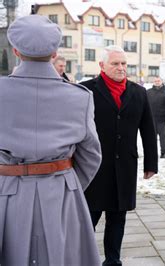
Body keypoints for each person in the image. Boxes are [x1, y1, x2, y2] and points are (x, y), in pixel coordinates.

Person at [0, 15, 102, 265]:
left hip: (6, 191)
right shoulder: (80, 97)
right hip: (61, 192)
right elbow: (91, 155)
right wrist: (69, 184)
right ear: (55, 52)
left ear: (15, 51)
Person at [80, 45, 158, 265]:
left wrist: (151, 163)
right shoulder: (86, 90)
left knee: (118, 218)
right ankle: (81, 257)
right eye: (115, 63)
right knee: (87, 219)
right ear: (102, 66)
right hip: (93, 167)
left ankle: (113, 261)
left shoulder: (138, 92)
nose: (121, 67)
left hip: (124, 166)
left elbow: (148, 129)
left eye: (124, 63)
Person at [147, 76, 165, 158]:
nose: (157, 82)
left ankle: (163, 152)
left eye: (158, 81)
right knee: (151, 137)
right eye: (155, 81)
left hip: (162, 118)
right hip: (151, 118)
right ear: (153, 82)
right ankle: (152, 152)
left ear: (161, 81)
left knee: (162, 137)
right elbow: (145, 106)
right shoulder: (148, 92)